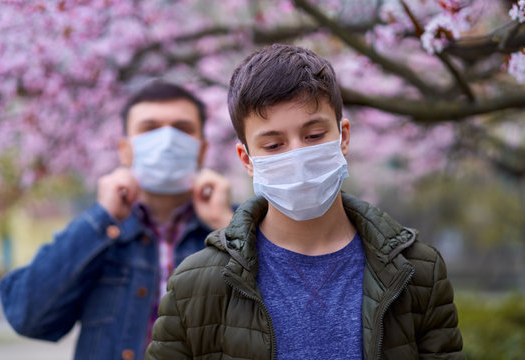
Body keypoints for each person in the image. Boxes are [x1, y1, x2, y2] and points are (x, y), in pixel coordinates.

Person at [146, 45, 464, 360]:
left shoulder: (418, 272)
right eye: (273, 145)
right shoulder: (195, 285)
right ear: (246, 159)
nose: (297, 156)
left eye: (313, 136)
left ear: (343, 137)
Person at [0, 81, 234, 360]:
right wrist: (102, 218)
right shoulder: (98, 234)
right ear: (125, 150)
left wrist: (226, 224)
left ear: (203, 150)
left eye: (182, 129)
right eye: (150, 129)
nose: (167, 139)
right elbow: (27, 316)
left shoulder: (235, 227)